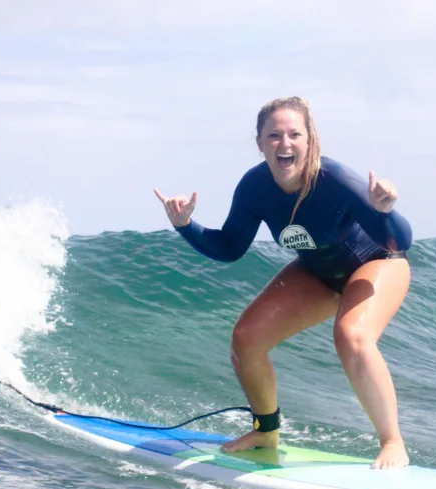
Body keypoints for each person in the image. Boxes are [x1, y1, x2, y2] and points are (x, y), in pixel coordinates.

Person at [153, 96, 413, 469]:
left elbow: (399, 240)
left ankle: (393, 442)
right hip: (319, 272)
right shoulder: (255, 188)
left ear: (310, 140)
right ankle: (266, 430)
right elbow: (230, 247)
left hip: (379, 262)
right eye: (274, 135)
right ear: (260, 143)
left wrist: (385, 210)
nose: (285, 143)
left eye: (294, 134)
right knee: (247, 338)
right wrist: (184, 226)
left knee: (352, 335)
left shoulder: (336, 181)